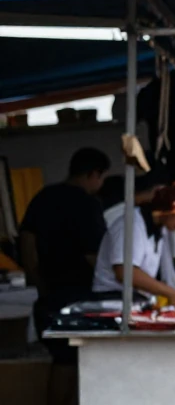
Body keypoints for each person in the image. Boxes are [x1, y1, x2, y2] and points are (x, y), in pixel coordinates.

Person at [18, 148, 111, 361]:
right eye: (102, 178)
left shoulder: (43, 196)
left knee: (61, 360)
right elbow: (94, 256)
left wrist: (35, 278)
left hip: (48, 292)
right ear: (94, 174)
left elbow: (26, 240)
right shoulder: (88, 204)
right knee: (71, 363)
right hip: (80, 296)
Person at [92, 182, 175, 305]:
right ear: (169, 210)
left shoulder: (159, 230)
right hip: (112, 300)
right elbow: (125, 272)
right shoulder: (132, 224)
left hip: (135, 301)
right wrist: (169, 292)